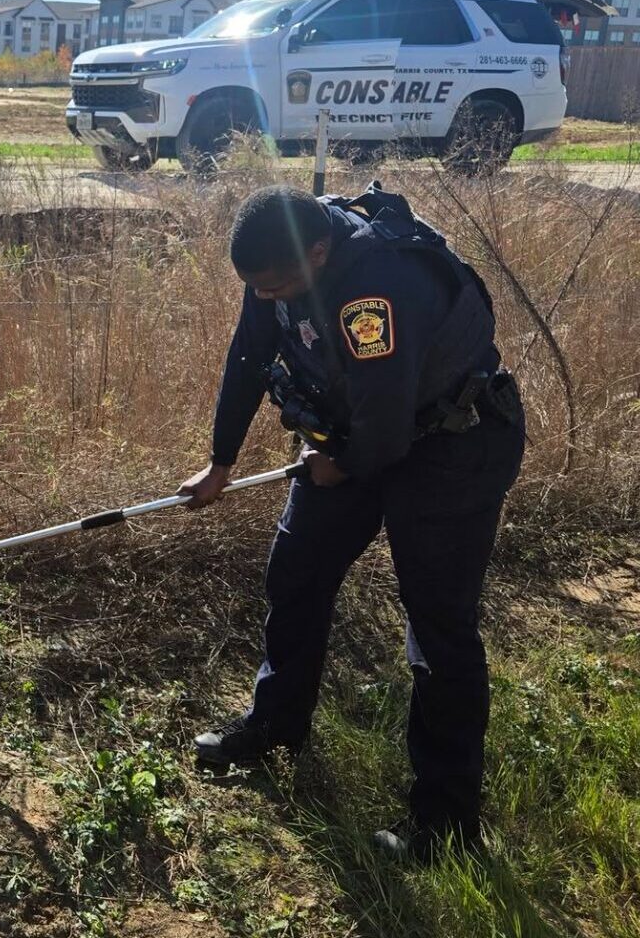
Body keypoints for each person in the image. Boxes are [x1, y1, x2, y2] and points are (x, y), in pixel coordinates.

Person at [179, 183, 524, 861]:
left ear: (318, 251)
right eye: (257, 287)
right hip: (362, 432)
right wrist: (219, 463)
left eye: (275, 286)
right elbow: (249, 356)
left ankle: (447, 821)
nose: (267, 297)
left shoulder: (375, 290)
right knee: (297, 569)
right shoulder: (277, 264)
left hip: (452, 441)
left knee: (437, 625)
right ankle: (275, 726)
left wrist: (339, 465)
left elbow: (387, 433)